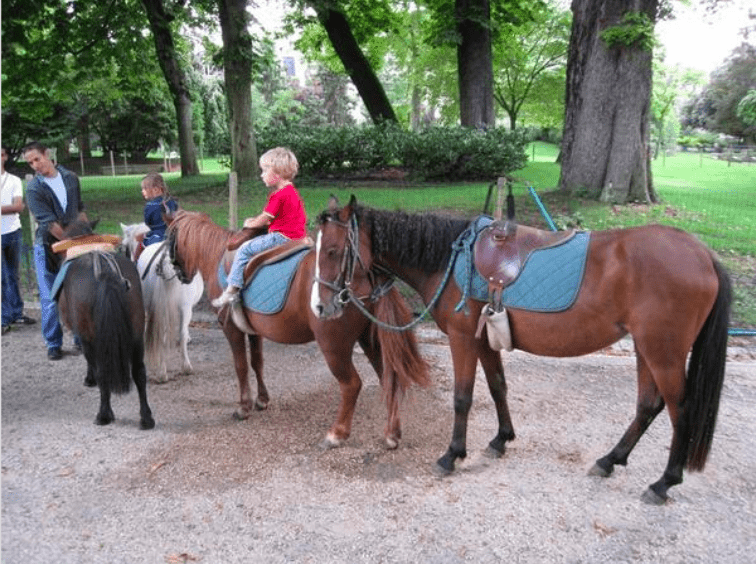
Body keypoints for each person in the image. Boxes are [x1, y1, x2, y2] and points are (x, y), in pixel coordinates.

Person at [212, 147, 306, 308]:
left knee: (245, 249)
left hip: (281, 237)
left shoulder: (278, 195)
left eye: (264, 170)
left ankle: (232, 289)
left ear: (276, 172)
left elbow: (264, 219)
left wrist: (250, 223)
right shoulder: (292, 191)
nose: (262, 175)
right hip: (298, 236)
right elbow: (284, 216)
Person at [24, 141, 87, 360]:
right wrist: (73, 242)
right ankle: (53, 343)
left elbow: (79, 209)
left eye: (36, 159)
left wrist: (86, 234)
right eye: (30, 162)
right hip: (47, 247)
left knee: (77, 292)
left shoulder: (70, 177)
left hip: (74, 243)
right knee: (50, 298)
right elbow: (49, 224)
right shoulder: (34, 188)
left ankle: (80, 337)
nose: (34, 165)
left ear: (47, 154)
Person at [2, 145, 36, 334]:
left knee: (13, 274)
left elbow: (18, 206)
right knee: (2, 277)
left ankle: (16, 311)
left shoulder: (13, 180)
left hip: (13, 231)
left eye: (1, 155)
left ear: (5, 157)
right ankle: (4, 317)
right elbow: (14, 206)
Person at [133, 172, 178, 261]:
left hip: (158, 235)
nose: (142, 191)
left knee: (140, 243)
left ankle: (136, 263)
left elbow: (148, 223)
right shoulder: (172, 201)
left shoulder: (150, 205)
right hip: (174, 234)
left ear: (156, 189)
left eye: (145, 188)